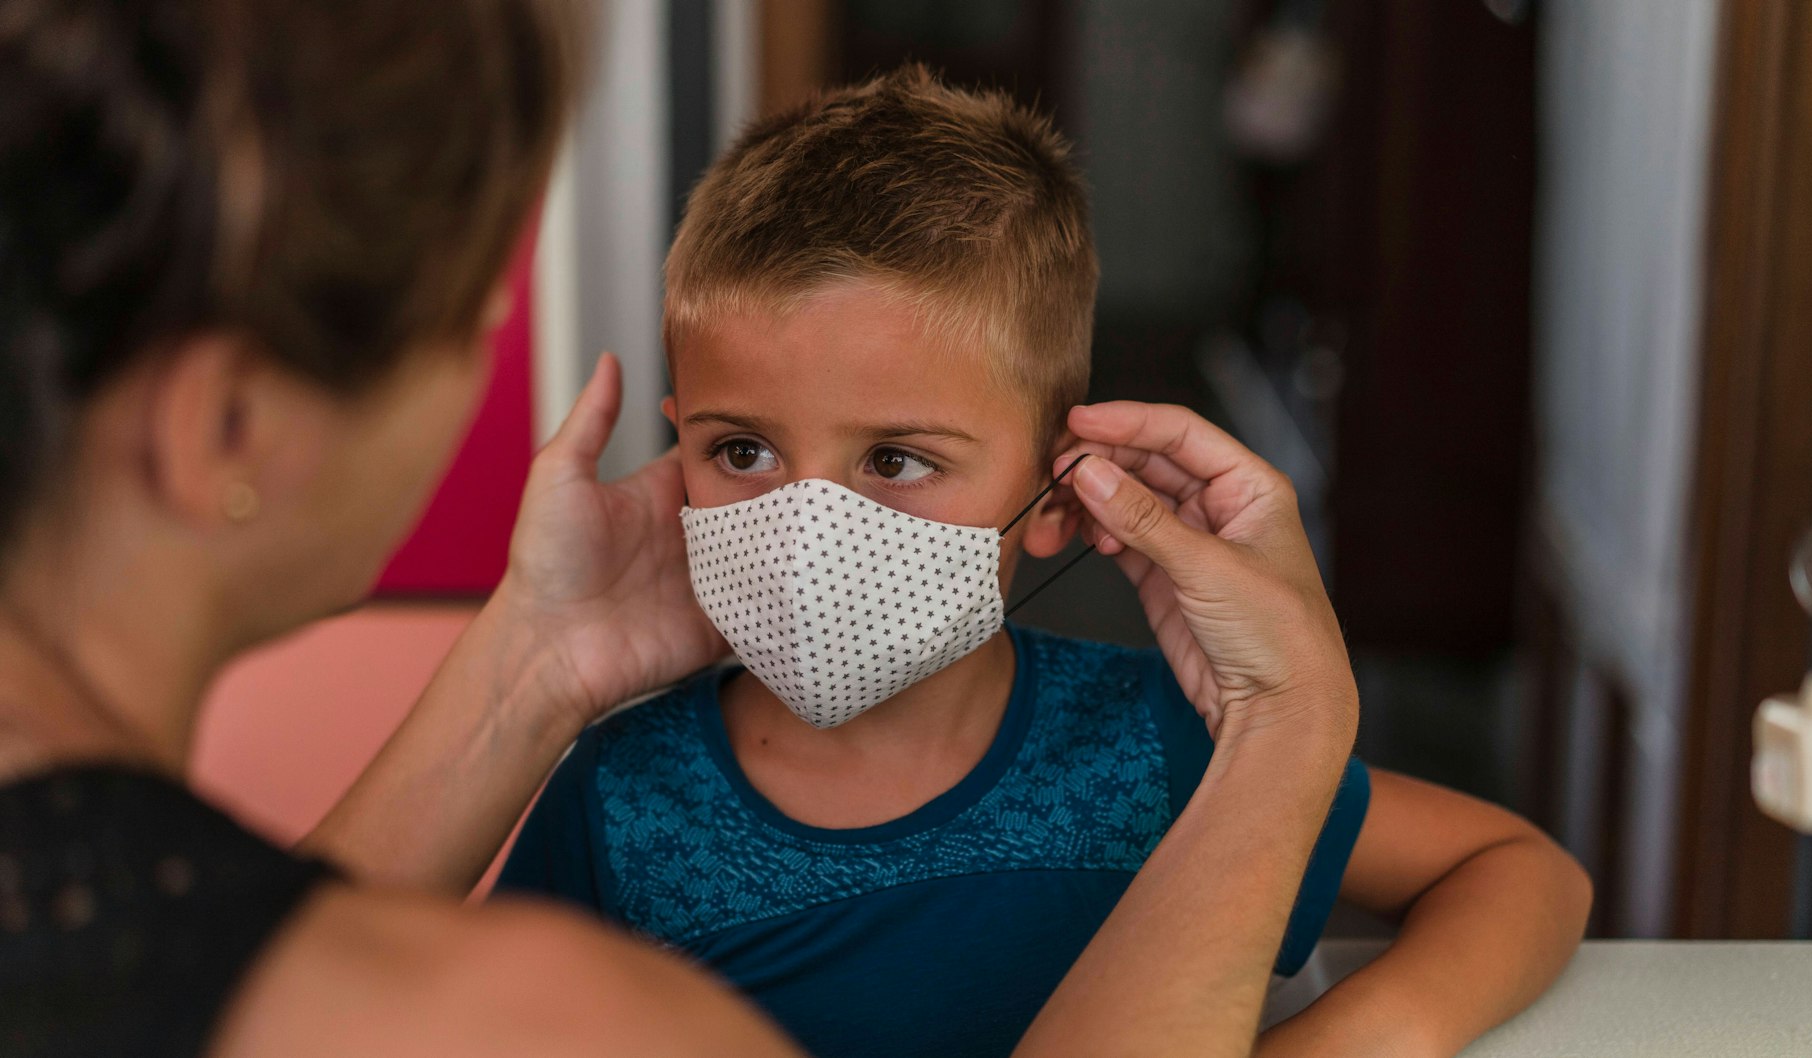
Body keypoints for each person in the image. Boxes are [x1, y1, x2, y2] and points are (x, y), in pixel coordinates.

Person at [0, 4, 1372, 1056]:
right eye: (462, 312)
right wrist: (1291, 719)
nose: (486, 352)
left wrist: (536, 659)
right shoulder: (552, 1001)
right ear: (226, 425)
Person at [499, 67, 1595, 1058]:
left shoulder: (1159, 744)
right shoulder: (615, 801)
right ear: (674, 439)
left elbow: (1514, 870)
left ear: (1057, 494)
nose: (805, 523)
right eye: (740, 449)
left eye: (894, 457)